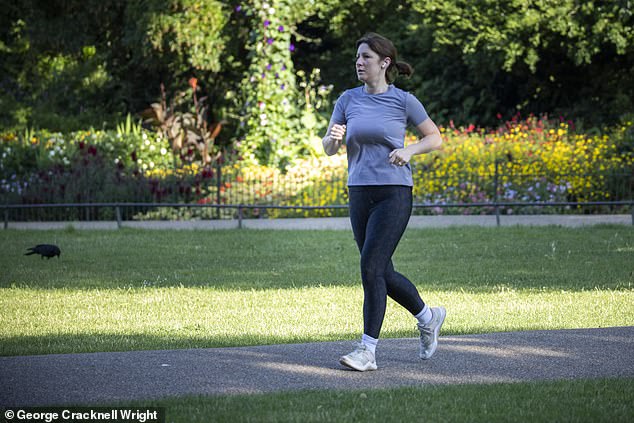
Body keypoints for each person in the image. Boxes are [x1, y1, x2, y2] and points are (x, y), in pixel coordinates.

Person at [322, 32, 446, 372]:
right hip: (359, 191)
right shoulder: (347, 99)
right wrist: (331, 140)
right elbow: (330, 148)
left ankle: (367, 350)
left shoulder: (403, 101)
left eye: (366, 57)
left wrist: (409, 150)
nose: (359, 63)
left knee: (371, 268)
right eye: (357, 58)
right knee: (380, 270)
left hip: (394, 193)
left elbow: (434, 137)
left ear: (384, 63)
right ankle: (428, 316)